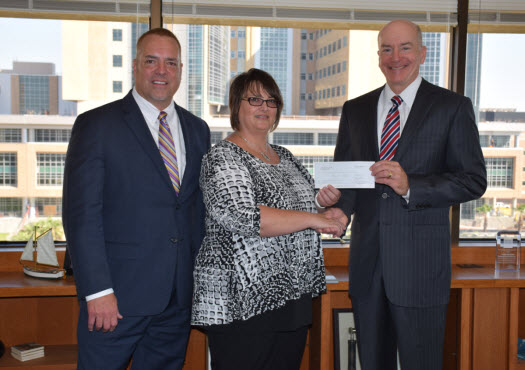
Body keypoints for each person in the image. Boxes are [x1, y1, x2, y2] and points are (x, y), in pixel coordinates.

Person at [332, 20, 487, 370]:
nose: (395, 57)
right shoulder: (354, 110)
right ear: (378, 57)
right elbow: (350, 181)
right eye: (387, 49)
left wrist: (411, 186)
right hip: (367, 265)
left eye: (404, 48)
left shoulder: (453, 106)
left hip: (421, 269)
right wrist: (339, 208)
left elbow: (473, 180)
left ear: (422, 53)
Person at [62, 28, 210, 369]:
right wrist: (97, 291)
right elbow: (81, 215)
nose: (162, 71)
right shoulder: (96, 125)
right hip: (115, 301)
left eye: (170, 63)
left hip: (176, 301)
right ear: (134, 66)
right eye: (151, 61)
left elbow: (196, 213)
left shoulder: (197, 129)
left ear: (181, 70)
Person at [191, 68, 345, 370]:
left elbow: (300, 211)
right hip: (242, 301)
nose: (264, 107)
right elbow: (244, 216)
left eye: (271, 101)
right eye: (254, 99)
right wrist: (313, 220)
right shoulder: (223, 157)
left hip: (293, 297)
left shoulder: (284, 155)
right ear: (237, 106)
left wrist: (325, 211)